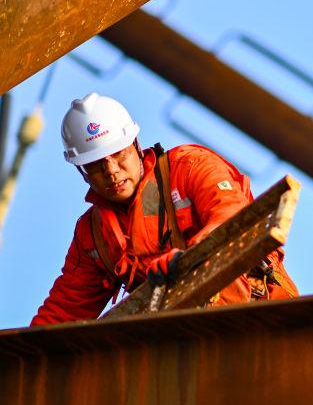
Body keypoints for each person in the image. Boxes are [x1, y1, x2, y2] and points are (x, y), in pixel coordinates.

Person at [32, 93, 298, 325]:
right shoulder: (95, 235)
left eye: (119, 154)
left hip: (263, 316)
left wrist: (188, 258)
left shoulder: (189, 167)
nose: (111, 171)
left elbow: (232, 217)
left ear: (136, 145)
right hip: (184, 339)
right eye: (95, 164)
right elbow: (63, 311)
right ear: (81, 171)